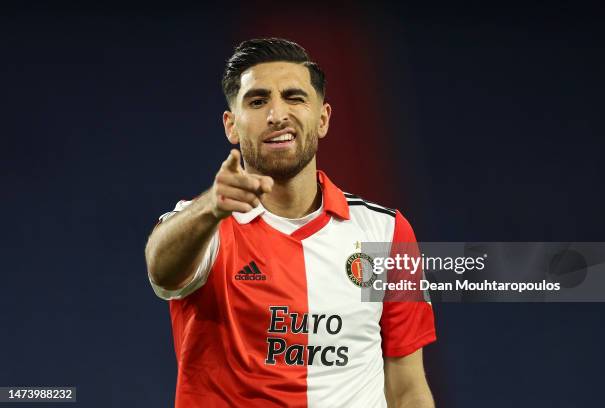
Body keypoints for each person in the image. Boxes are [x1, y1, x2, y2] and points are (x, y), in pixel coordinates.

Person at [145, 38, 436, 408]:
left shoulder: (387, 233)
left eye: (295, 98)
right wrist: (209, 210)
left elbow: (408, 389)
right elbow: (161, 273)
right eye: (258, 100)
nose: (277, 114)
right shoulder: (205, 224)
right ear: (231, 126)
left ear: (323, 118)